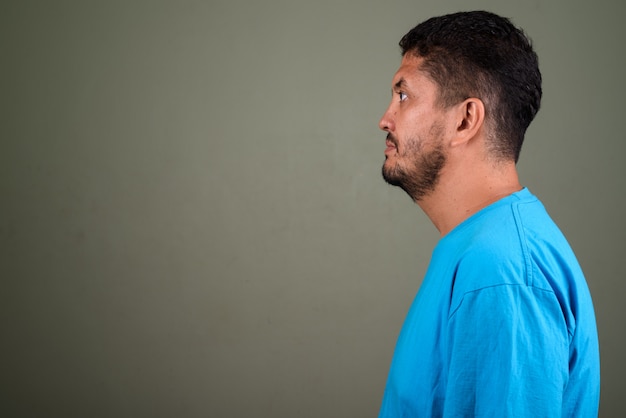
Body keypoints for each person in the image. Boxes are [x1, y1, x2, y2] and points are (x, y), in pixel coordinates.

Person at [377, 11, 600, 417]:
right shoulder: (479, 247)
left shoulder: (501, 271)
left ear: (465, 120)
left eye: (403, 95)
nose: (385, 119)